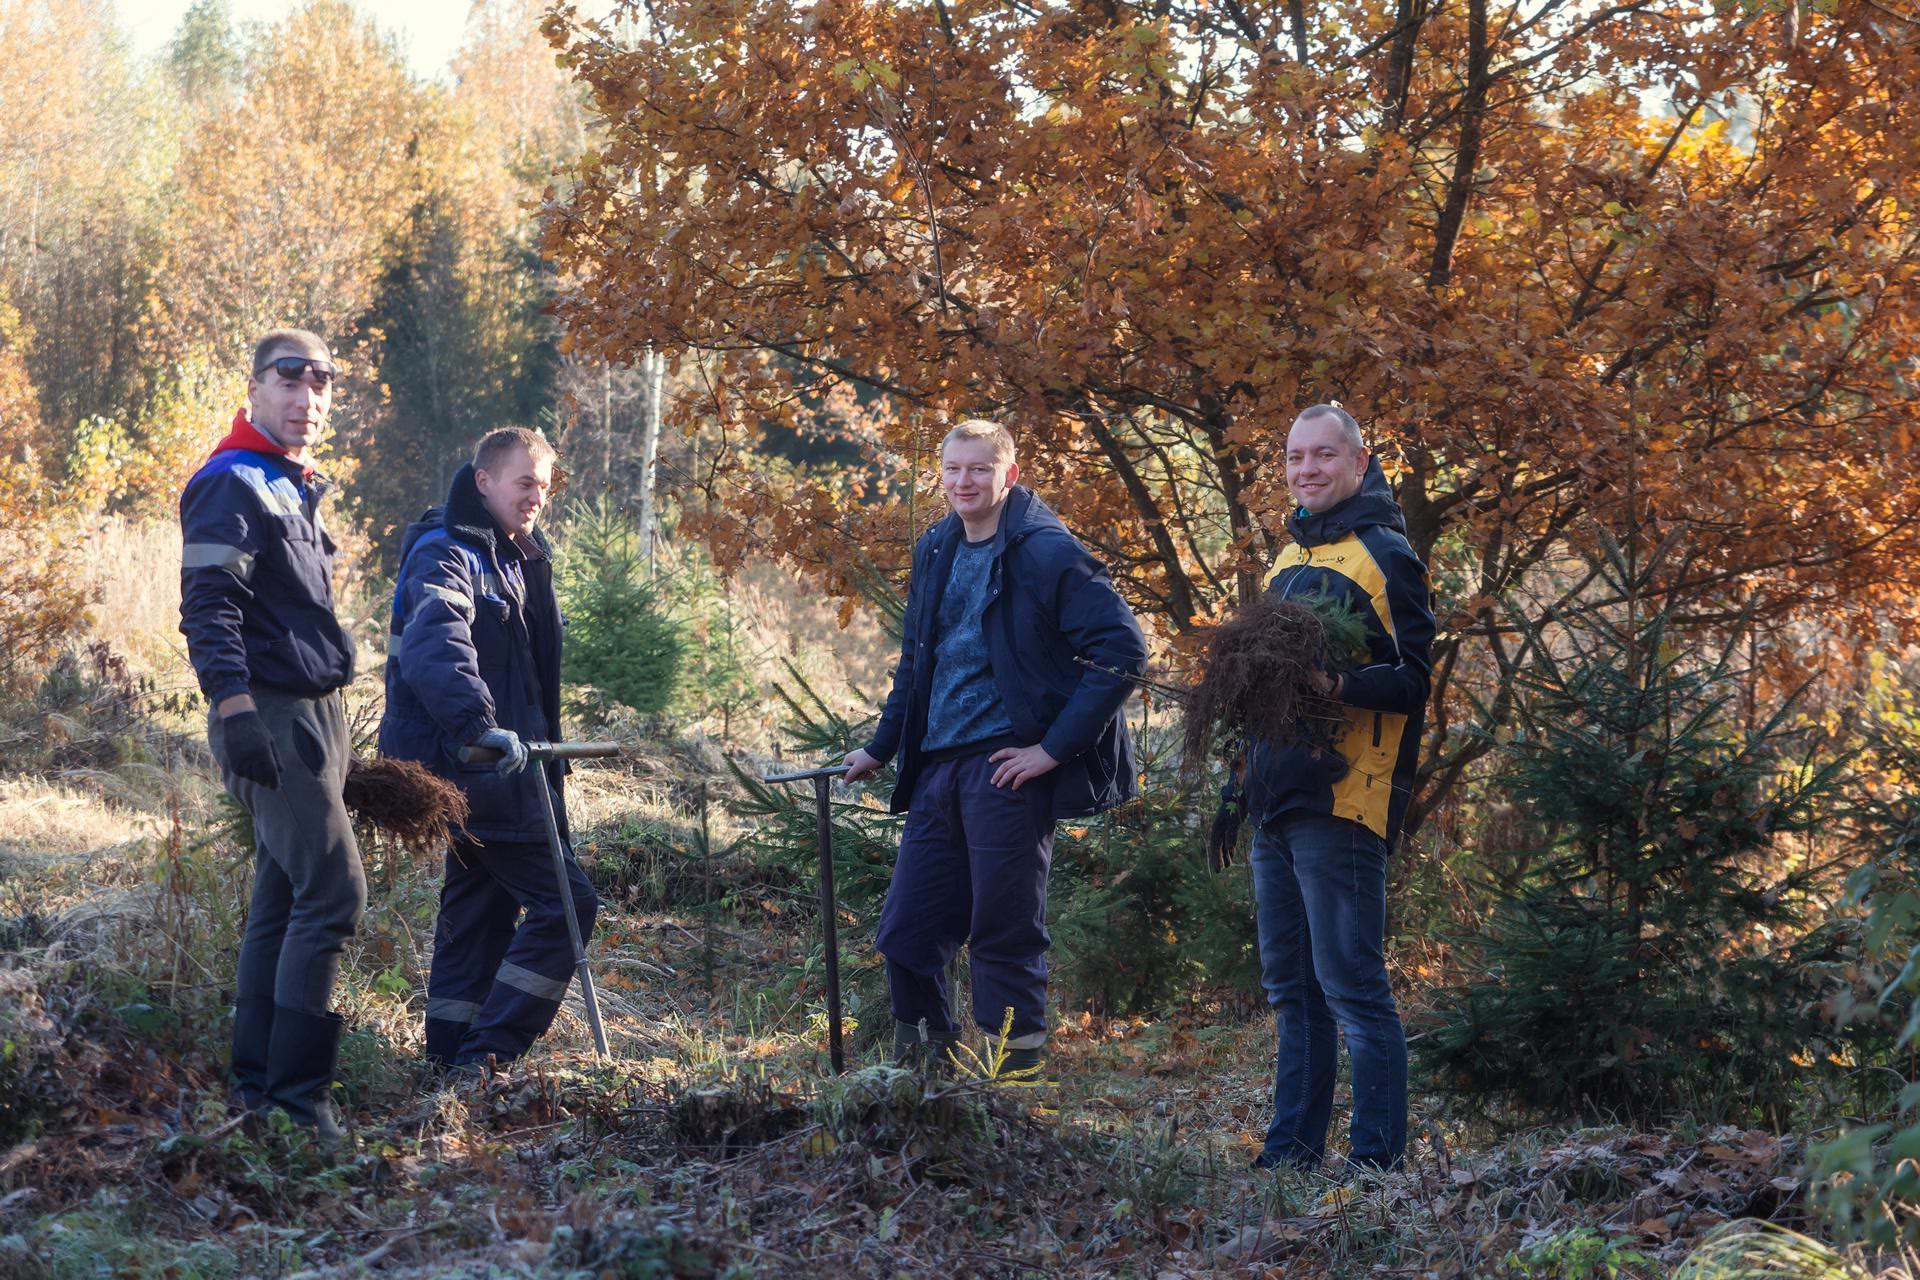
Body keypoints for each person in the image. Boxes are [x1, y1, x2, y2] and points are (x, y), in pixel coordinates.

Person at [843, 419, 1147, 1078]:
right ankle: (924, 1082)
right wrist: (881, 746)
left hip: (1007, 769)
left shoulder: (1046, 551)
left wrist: (1052, 750)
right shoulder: (937, 547)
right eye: (953, 470)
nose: (963, 482)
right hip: (937, 768)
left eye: (979, 469)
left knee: (1004, 931)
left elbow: (1123, 652)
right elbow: (917, 661)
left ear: (1009, 474)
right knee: (907, 934)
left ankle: (1012, 1090)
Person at [1215, 403, 1435, 1174]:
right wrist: (1237, 784)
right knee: (1292, 992)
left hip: (1345, 800)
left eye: (1322, 456)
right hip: (1277, 798)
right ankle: (1291, 1156)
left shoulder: (1387, 556)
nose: (1306, 470)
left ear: (1359, 461)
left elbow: (1414, 681)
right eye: (1294, 458)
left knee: (1352, 989)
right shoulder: (1287, 557)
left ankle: (1376, 1167)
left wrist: (1333, 683)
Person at [179, 328, 362, 1142]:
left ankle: (254, 1094)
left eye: (321, 384)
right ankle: (298, 1104)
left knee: (282, 899)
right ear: (254, 388)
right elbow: (209, 607)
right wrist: (234, 710)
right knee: (333, 892)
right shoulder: (231, 481)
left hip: (317, 715)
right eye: (290, 382)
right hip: (270, 714)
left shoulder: (292, 483)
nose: (307, 398)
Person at [379, 426, 598, 1072]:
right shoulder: (446, 553)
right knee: (568, 904)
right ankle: (487, 1061)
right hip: (473, 771)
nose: (537, 498)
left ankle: (448, 1066)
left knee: (479, 913)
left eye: (545, 487)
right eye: (524, 482)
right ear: (484, 481)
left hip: (508, 772)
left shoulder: (514, 558)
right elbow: (437, 646)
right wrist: (478, 726)